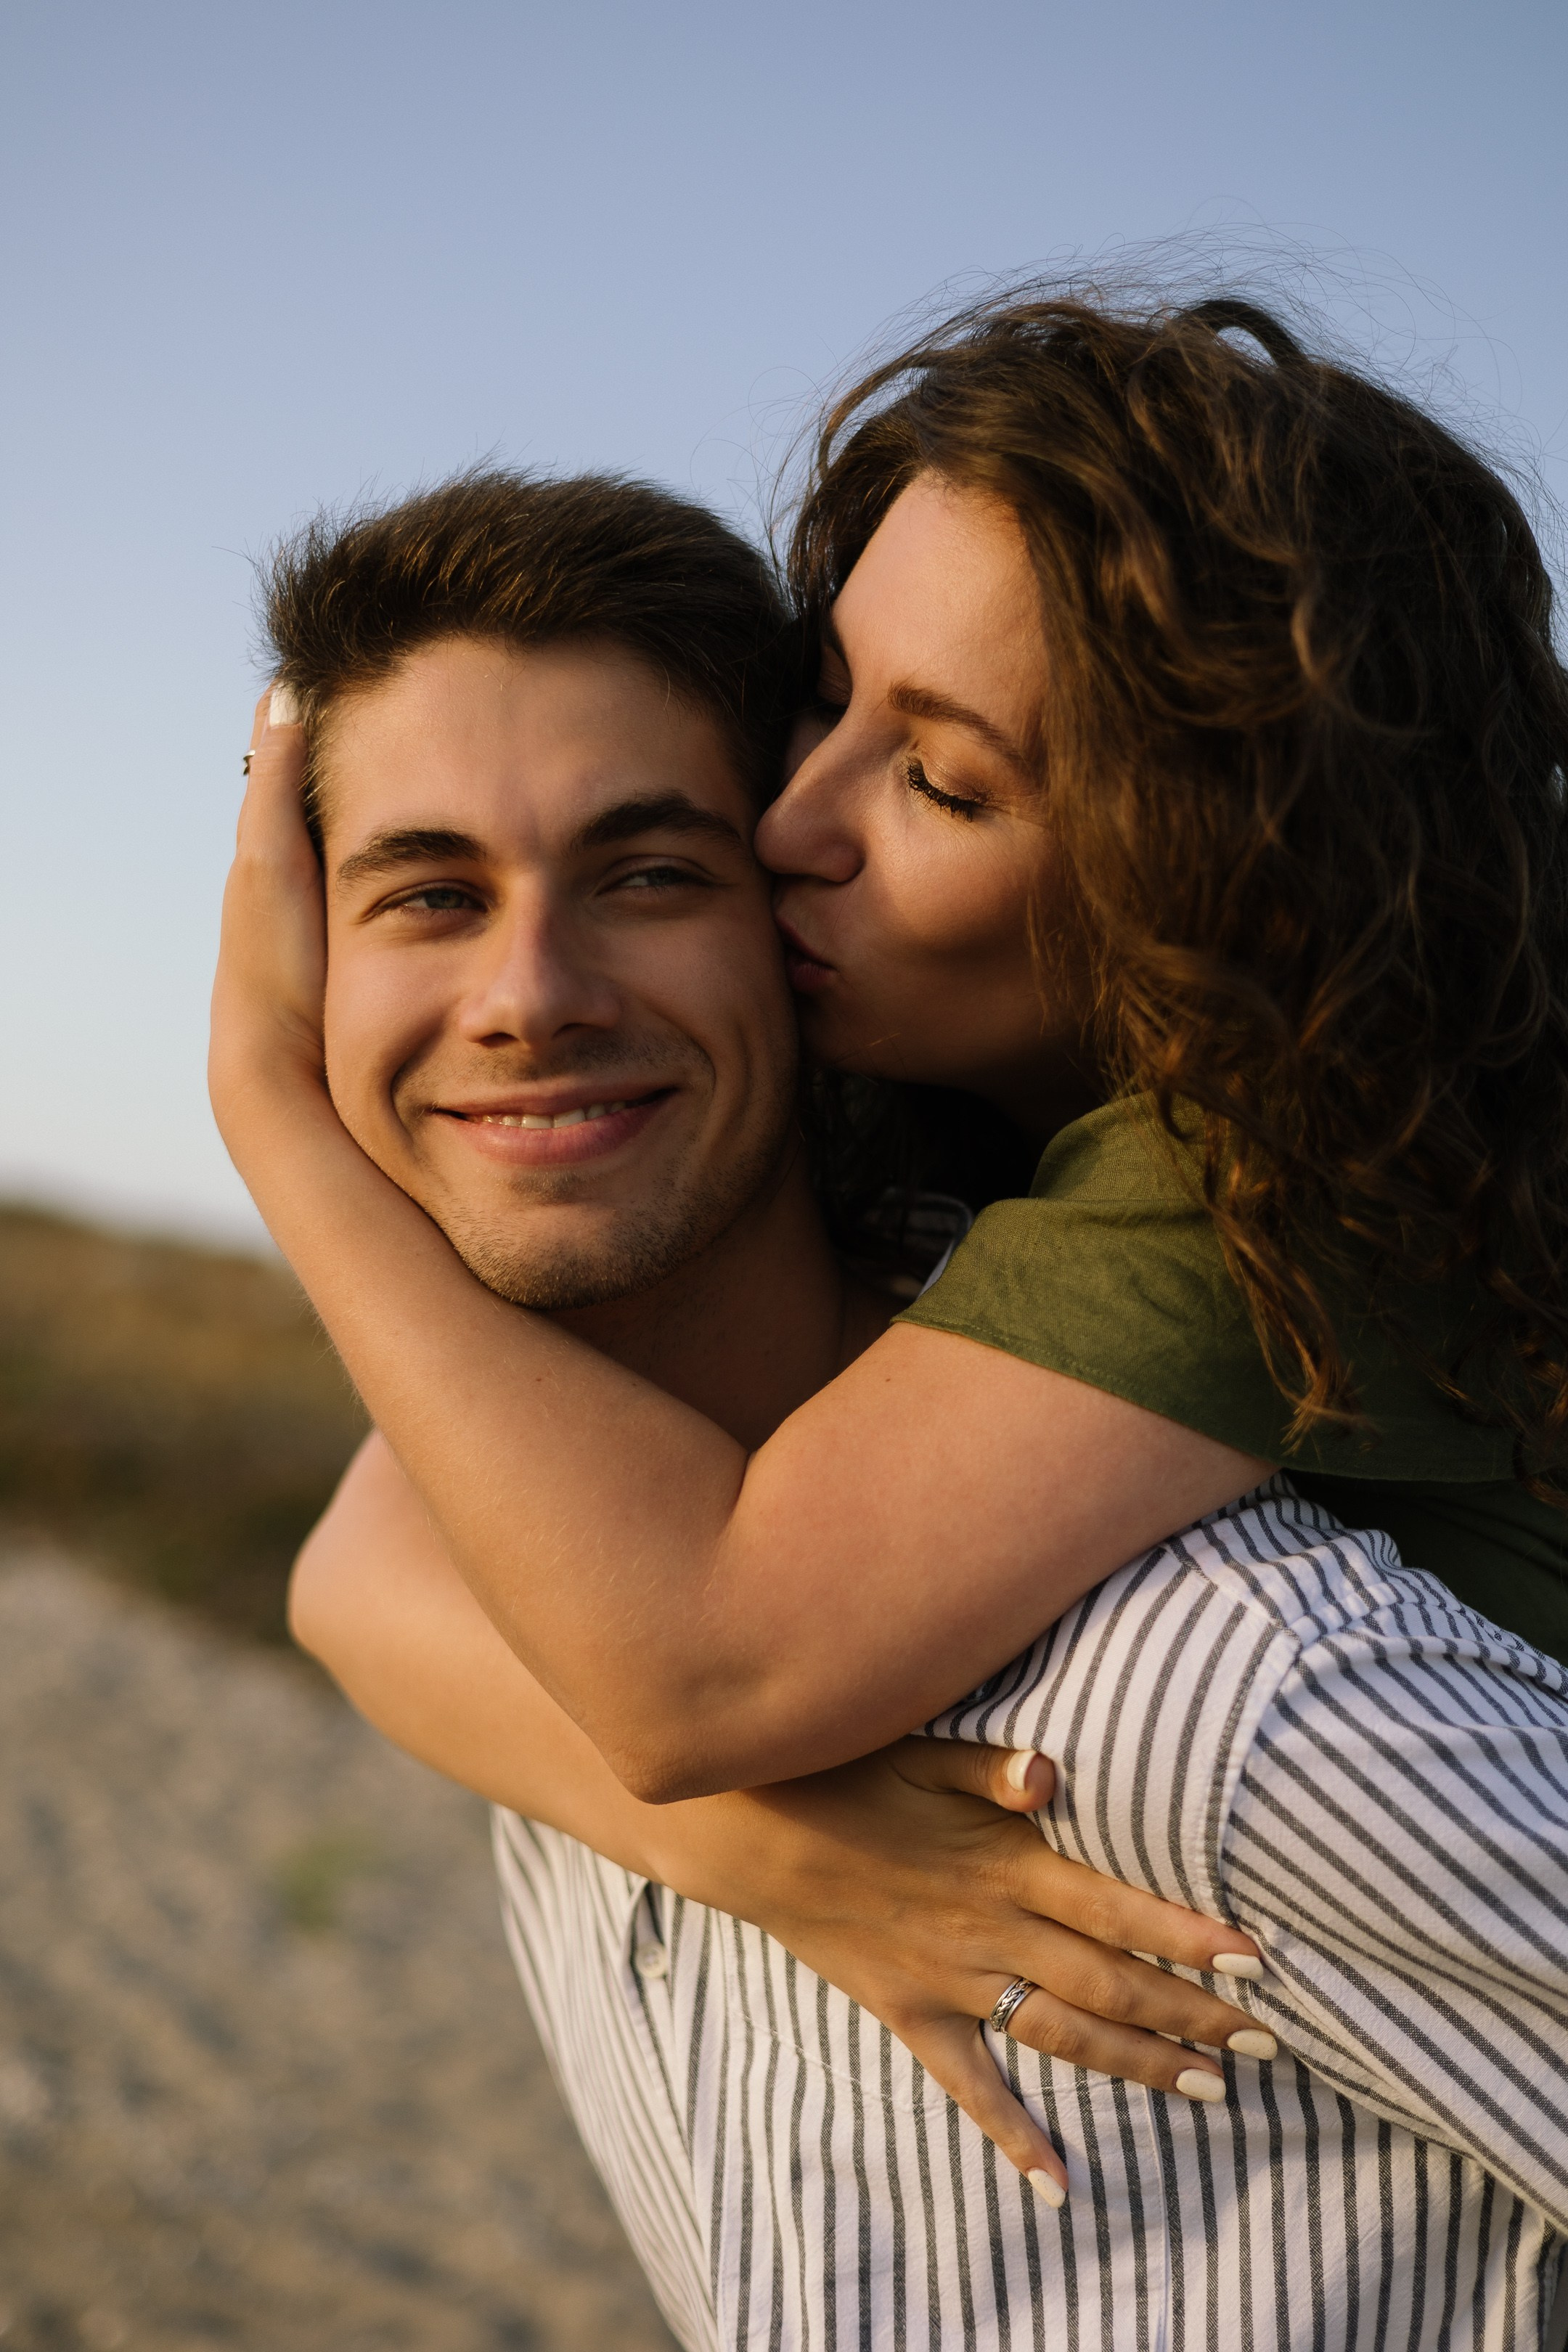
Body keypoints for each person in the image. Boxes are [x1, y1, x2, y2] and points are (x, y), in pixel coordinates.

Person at [213, 285, 1568, 2348]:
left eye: (937, 778)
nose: (787, 827)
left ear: (1210, 879)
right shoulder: (900, 1240)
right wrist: (774, 1847)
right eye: (826, 703)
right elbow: (365, 1554)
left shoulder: (1272, 1218)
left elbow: (700, 1657)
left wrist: (270, 1107)